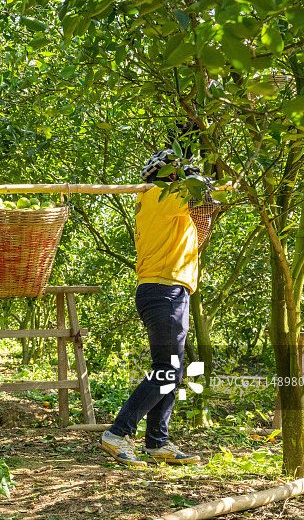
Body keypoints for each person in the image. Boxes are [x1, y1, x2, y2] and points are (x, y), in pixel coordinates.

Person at [97, 148, 222, 467]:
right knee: (167, 370)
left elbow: (207, 206)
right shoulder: (161, 196)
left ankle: (156, 442)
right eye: (177, 175)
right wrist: (203, 177)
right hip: (164, 291)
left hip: (168, 291)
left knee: (171, 371)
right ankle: (117, 433)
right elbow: (201, 191)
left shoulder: (164, 202)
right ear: (168, 177)